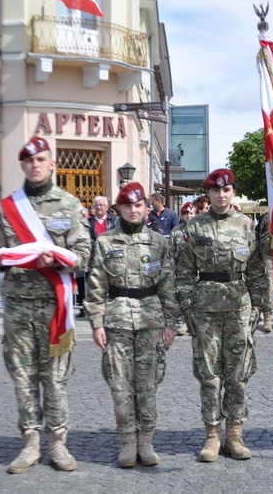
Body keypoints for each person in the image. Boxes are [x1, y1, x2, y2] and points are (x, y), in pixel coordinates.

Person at [0, 136, 91, 473]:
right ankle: (30, 443)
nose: (35, 165)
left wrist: (58, 261)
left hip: (54, 308)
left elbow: (84, 256)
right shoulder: (7, 208)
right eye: (29, 160)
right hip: (17, 308)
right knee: (23, 378)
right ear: (23, 165)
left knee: (55, 379)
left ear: (52, 164)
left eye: (41, 159)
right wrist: (2, 260)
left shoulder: (70, 205)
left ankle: (58, 444)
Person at [175, 168, 267, 462]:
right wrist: (188, 308)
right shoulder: (195, 228)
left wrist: (258, 308)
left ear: (233, 192)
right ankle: (213, 436)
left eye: (226, 190)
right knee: (210, 375)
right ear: (208, 194)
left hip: (239, 307)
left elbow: (255, 270)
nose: (221, 195)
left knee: (238, 375)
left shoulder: (246, 225)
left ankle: (235, 435)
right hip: (205, 310)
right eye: (215, 190)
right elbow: (184, 271)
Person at [84, 182, 176, 468]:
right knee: (121, 387)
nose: (133, 210)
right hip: (117, 321)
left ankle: (146, 442)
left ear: (146, 208)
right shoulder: (105, 242)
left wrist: (170, 322)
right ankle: (127, 442)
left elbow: (168, 285)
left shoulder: (159, 243)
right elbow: (96, 285)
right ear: (119, 208)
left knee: (148, 386)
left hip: (150, 320)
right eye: (127, 206)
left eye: (138, 205)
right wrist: (96, 323)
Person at [76, 196, 118, 318]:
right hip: (93, 258)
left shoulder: (114, 221)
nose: (99, 207)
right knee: (92, 285)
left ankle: (110, 309)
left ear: (107, 207)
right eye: (96, 205)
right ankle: (91, 309)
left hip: (110, 258)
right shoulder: (88, 222)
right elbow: (85, 238)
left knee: (110, 285)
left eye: (101, 205)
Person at [169, 201, 194, 336]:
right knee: (183, 296)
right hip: (181, 269)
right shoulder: (176, 230)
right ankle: (186, 322)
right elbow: (171, 252)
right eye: (186, 213)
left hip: (198, 269)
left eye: (191, 213)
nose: (188, 216)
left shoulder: (200, 228)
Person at [254, 212, 273, 333]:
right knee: (269, 286)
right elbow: (259, 237)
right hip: (269, 255)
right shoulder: (267, 216)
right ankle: (268, 317)